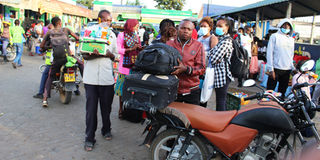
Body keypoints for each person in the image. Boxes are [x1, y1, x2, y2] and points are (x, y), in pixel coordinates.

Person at [82, 10, 117, 151]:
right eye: (105, 20)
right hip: (90, 79)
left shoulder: (112, 35)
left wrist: (109, 54)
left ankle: (106, 129)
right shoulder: (89, 32)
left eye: (110, 21)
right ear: (99, 19)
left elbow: (115, 56)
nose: (108, 23)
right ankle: (89, 138)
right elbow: (84, 55)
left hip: (107, 78)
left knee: (106, 108)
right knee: (91, 110)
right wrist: (93, 54)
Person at [41, 17, 82, 107]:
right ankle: (86, 82)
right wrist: (72, 40)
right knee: (80, 64)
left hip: (57, 60)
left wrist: (47, 47)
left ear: (52, 24)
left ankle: (45, 99)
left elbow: (42, 46)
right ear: (60, 23)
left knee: (50, 77)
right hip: (68, 57)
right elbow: (77, 38)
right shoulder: (66, 30)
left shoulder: (49, 32)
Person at [167, 19, 205, 105]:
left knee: (192, 116)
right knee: (172, 115)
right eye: (183, 28)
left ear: (192, 31)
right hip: (172, 88)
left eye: (189, 29)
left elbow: (202, 68)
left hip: (192, 89)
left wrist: (186, 69)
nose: (185, 31)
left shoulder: (198, 45)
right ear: (177, 29)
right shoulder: (169, 44)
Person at [115, 19, 142, 119]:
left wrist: (139, 48)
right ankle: (121, 109)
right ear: (130, 26)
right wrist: (130, 49)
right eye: (136, 26)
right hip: (124, 67)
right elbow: (118, 49)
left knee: (132, 91)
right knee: (121, 90)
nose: (137, 28)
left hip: (134, 67)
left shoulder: (136, 35)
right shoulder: (121, 35)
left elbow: (138, 47)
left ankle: (129, 111)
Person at [207, 17, 234, 111]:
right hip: (218, 74)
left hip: (223, 76)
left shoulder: (227, 41)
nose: (217, 28)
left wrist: (211, 55)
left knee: (221, 100)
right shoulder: (221, 39)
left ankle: (220, 121)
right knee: (220, 100)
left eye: (220, 26)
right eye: (216, 25)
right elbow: (210, 54)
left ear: (227, 28)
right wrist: (211, 55)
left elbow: (213, 58)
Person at [266, 19, 295, 98]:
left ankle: (280, 107)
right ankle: (267, 106)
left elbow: (291, 55)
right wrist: (271, 69)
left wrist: (292, 67)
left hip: (287, 69)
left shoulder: (291, 40)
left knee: (282, 91)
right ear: (281, 26)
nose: (286, 27)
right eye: (284, 25)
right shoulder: (274, 36)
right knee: (270, 91)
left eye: (288, 26)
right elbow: (269, 53)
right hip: (275, 68)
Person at [197, 16, 219, 107]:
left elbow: (214, 55)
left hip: (206, 69)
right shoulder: (200, 38)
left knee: (203, 92)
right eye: (201, 26)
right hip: (197, 68)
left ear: (210, 27)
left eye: (205, 26)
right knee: (197, 92)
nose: (202, 28)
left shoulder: (212, 38)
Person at [33, 24, 54, 99]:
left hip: (52, 62)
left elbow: (42, 47)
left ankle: (40, 93)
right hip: (64, 59)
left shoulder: (50, 36)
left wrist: (45, 48)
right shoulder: (63, 34)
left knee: (45, 74)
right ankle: (76, 90)